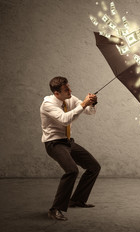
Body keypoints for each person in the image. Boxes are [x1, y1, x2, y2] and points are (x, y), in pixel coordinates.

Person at [40, 76, 101, 221]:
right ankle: (55, 209)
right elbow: (64, 119)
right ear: (56, 93)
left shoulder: (69, 98)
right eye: (66, 89)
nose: (70, 91)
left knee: (94, 167)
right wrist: (83, 104)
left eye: (69, 87)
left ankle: (77, 200)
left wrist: (92, 103)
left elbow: (89, 112)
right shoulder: (47, 104)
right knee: (72, 170)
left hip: (67, 142)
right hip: (54, 143)